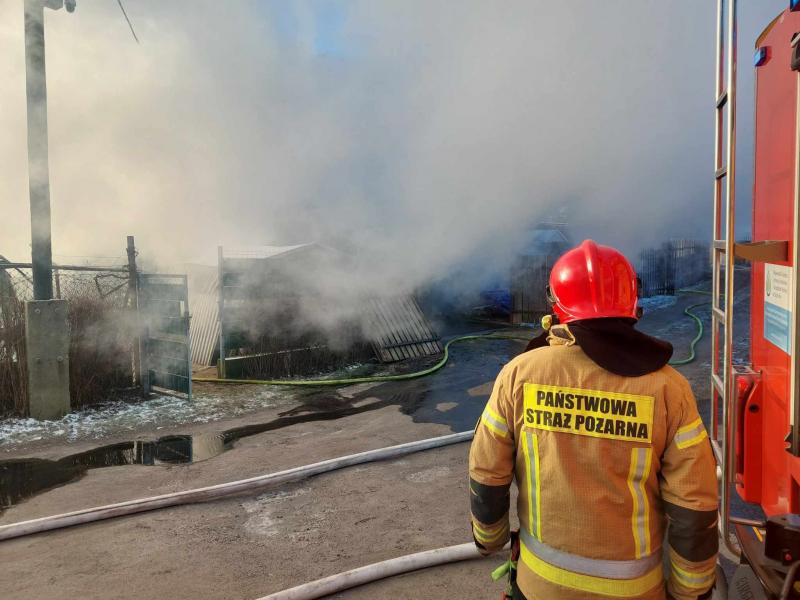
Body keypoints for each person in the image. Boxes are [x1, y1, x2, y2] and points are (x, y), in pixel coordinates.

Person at [469, 240, 718, 600]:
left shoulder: (519, 374)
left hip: (539, 586)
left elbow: (486, 470)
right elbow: (694, 502)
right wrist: (689, 591)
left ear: (555, 306)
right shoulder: (668, 388)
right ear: (633, 305)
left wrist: (489, 539)